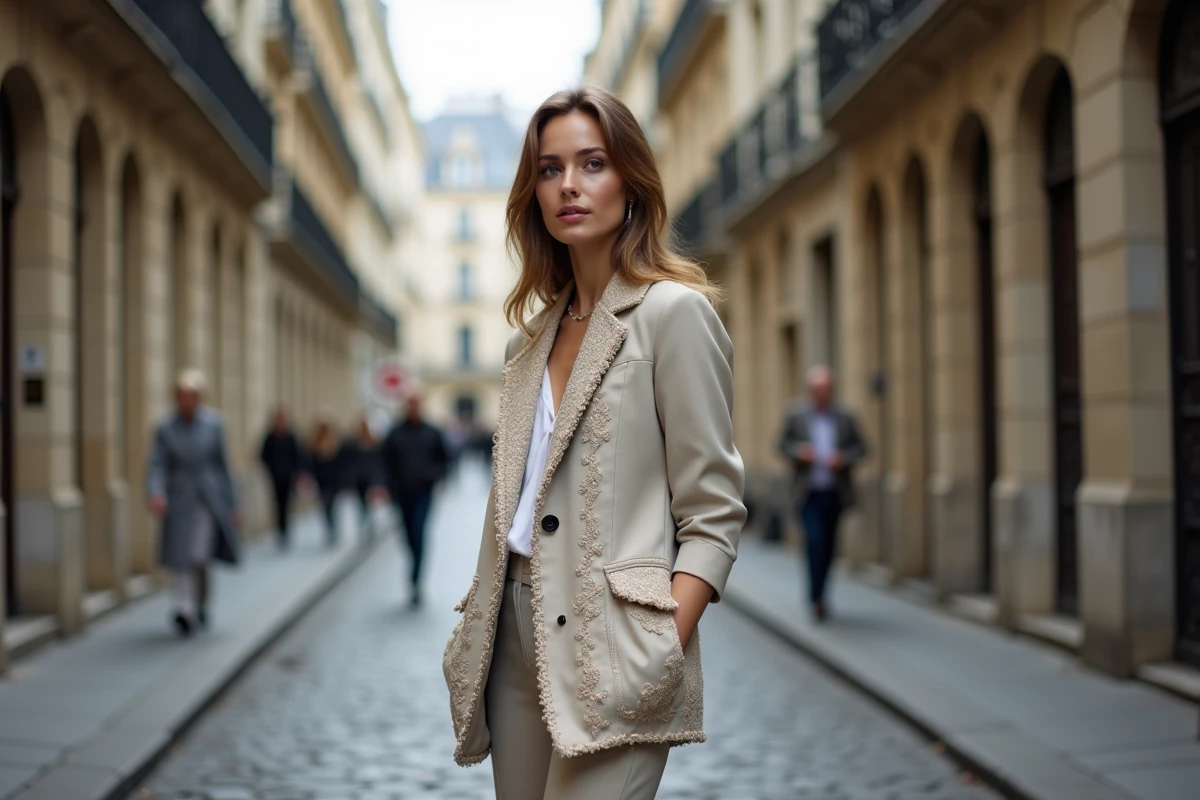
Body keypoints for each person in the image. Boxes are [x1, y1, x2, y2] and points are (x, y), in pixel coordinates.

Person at [441, 87, 746, 799]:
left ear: (631, 183)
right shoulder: (530, 340)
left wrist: (660, 648)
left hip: (617, 646)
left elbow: (714, 516)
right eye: (550, 169)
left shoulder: (673, 314)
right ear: (533, 192)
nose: (569, 185)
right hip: (510, 641)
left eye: (592, 163)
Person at [147, 369, 241, 637]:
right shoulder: (165, 427)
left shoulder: (214, 424)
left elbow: (224, 467)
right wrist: (156, 492)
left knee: (199, 556)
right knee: (180, 557)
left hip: (206, 501)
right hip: (178, 500)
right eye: (182, 395)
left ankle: (200, 603)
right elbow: (157, 464)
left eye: (192, 395)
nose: (187, 400)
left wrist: (233, 503)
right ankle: (183, 609)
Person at [778, 365, 867, 622]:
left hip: (834, 493)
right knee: (815, 541)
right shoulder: (796, 415)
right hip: (807, 493)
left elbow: (861, 448)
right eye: (817, 390)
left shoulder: (844, 417)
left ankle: (822, 595)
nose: (821, 395)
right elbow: (782, 444)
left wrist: (844, 459)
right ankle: (816, 598)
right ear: (810, 391)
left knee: (828, 547)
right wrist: (799, 452)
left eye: (825, 390)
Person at [380, 394, 448, 607]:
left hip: (423, 493)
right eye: (409, 404)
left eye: (416, 404)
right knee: (408, 536)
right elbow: (383, 462)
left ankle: (416, 581)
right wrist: (383, 486)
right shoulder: (395, 433)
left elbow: (444, 459)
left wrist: (435, 476)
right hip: (400, 494)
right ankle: (414, 564)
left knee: (419, 532)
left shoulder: (432, 432)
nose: (413, 407)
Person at [259, 407, 303, 549]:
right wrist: (270, 469)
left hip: (289, 477)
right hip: (275, 477)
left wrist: (296, 472)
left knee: (287, 503)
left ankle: (286, 530)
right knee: (278, 504)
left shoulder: (290, 436)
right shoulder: (270, 437)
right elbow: (263, 455)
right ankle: (280, 531)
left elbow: (297, 456)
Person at [339, 415, 387, 543]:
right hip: (359, 479)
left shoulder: (374, 443)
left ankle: (368, 523)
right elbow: (348, 462)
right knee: (361, 503)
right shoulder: (353, 444)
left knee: (369, 502)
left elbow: (378, 462)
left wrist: (379, 480)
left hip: (371, 478)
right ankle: (364, 523)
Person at [307, 415, 343, 546]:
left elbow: (340, 463)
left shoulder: (335, 442)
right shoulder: (314, 444)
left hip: (333, 480)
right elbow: (310, 463)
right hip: (321, 480)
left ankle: (333, 527)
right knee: (325, 505)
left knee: (332, 504)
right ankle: (329, 527)